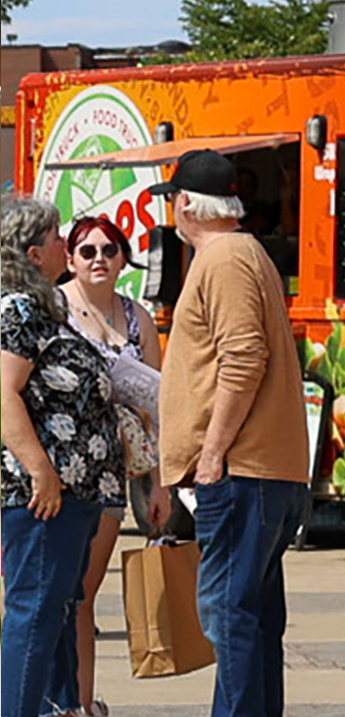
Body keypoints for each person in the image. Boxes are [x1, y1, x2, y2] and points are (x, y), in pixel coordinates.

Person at [153, 149, 312, 717]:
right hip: (264, 471)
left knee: (230, 614)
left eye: (172, 199)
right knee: (252, 616)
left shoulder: (222, 260)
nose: (171, 210)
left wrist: (212, 452)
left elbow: (244, 360)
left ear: (188, 203)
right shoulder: (247, 254)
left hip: (243, 471)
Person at [1, 197, 130, 717]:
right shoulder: (16, 309)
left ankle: (59, 708)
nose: (65, 244)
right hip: (44, 498)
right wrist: (42, 473)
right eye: (58, 238)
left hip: (75, 495)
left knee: (56, 611)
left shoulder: (46, 307)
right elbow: (5, 394)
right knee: (34, 614)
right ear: (34, 253)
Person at [59, 215, 171, 717]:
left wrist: (161, 486)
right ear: (70, 260)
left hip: (114, 471)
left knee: (83, 592)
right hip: (60, 467)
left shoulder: (137, 316)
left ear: (123, 257)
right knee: (52, 594)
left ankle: (78, 702)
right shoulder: (56, 309)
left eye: (109, 249)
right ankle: (53, 696)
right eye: (87, 251)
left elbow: (159, 403)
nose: (99, 258)